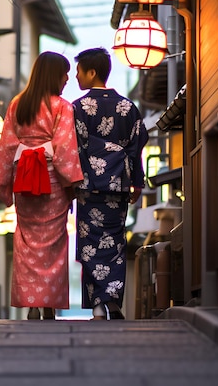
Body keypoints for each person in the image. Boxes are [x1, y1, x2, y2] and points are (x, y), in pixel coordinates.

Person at [0, 51, 84, 320]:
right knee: (54, 244)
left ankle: (31, 304)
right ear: (53, 74)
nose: (67, 78)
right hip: (52, 178)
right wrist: (72, 182)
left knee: (26, 241)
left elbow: (8, 145)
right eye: (64, 73)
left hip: (24, 177)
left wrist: (3, 180)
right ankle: (48, 306)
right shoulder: (62, 106)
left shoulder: (18, 104)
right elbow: (65, 148)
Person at [72, 47, 149, 320]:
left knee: (89, 244)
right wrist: (136, 183)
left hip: (87, 186)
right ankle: (113, 302)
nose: (77, 77)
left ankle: (96, 306)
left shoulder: (78, 108)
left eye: (80, 71)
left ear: (92, 72)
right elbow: (136, 147)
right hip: (118, 184)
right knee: (115, 245)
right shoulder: (128, 107)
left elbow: (75, 148)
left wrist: (73, 181)